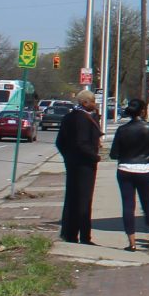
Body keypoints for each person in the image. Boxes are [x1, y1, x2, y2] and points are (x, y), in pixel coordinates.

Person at [108, 95, 149, 252]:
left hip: (125, 169)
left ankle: (132, 243)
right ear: (142, 111)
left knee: (128, 206)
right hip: (145, 169)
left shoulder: (122, 130)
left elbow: (113, 154)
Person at [54, 90, 102, 244]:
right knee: (84, 201)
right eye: (93, 101)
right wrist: (95, 157)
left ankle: (69, 233)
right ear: (84, 102)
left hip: (72, 163)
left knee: (72, 198)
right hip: (84, 165)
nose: (95, 104)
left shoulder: (69, 117)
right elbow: (82, 143)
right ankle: (84, 236)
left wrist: (68, 157)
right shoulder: (82, 119)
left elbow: (59, 142)